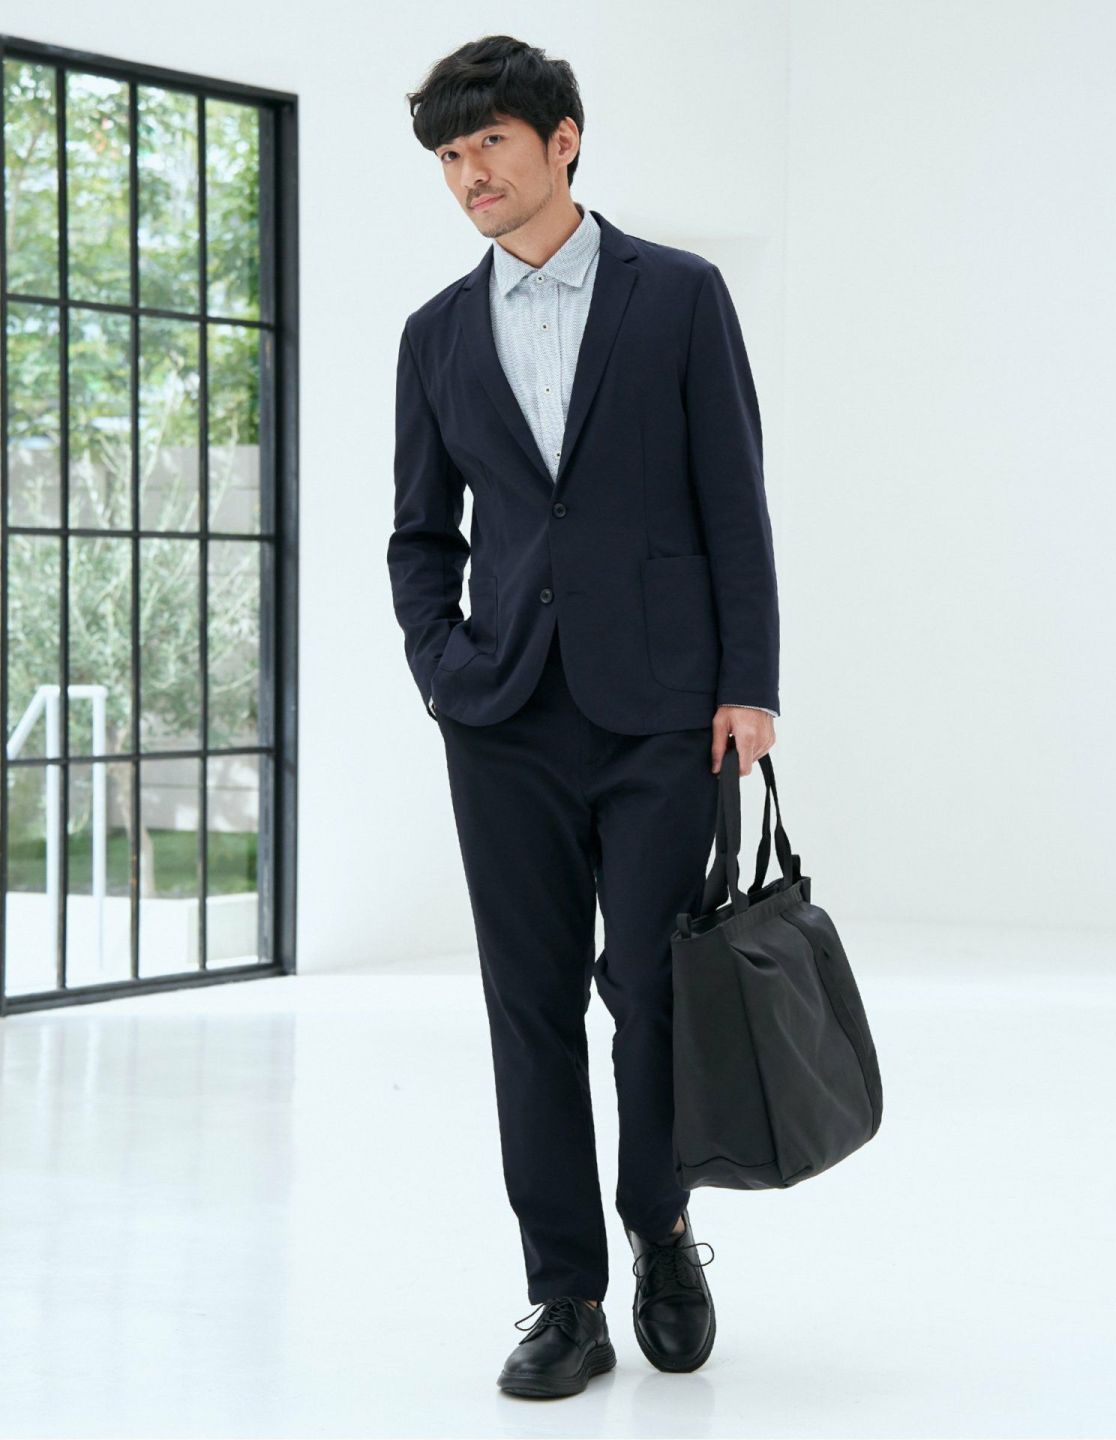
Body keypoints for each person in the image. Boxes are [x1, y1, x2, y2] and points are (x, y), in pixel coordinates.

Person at [388, 34, 781, 1400]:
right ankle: (565, 1295)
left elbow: (735, 497)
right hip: (503, 719)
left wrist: (749, 683)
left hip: (664, 710)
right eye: (450, 156)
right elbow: (420, 535)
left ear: (562, 140)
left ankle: (662, 1231)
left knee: (653, 994)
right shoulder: (435, 335)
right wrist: (443, 671)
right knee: (530, 1009)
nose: (469, 175)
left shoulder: (679, 295)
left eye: (489, 143)